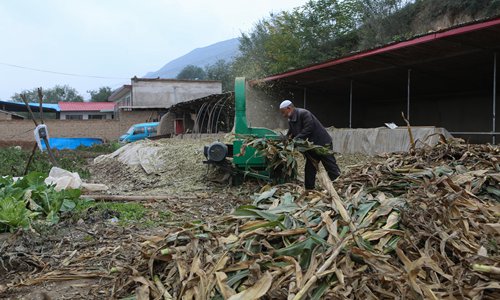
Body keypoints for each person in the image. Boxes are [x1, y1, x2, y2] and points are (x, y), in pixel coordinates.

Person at [279, 100, 340, 190]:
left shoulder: (304, 113)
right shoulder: (291, 119)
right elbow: (291, 132)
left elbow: (309, 128)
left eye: (283, 112)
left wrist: (295, 140)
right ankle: (309, 189)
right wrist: (286, 138)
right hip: (311, 148)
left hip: (322, 144)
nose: (283, 115)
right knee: (309, 169)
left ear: (289, 108)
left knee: (330, 165)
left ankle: (339, 184)